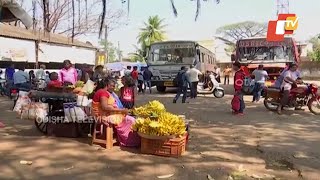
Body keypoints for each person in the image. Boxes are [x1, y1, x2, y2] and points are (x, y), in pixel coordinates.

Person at [91, 78, 140, 147]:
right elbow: (105, 107)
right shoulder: (102, 92)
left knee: (130, 118)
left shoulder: (103, 92)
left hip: (106, 114)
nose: (113, 88)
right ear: (107, 85)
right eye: (112, 86)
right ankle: (129, 141)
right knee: (130, 120)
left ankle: (128, 140)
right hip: (103, 116)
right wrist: (121, 111)